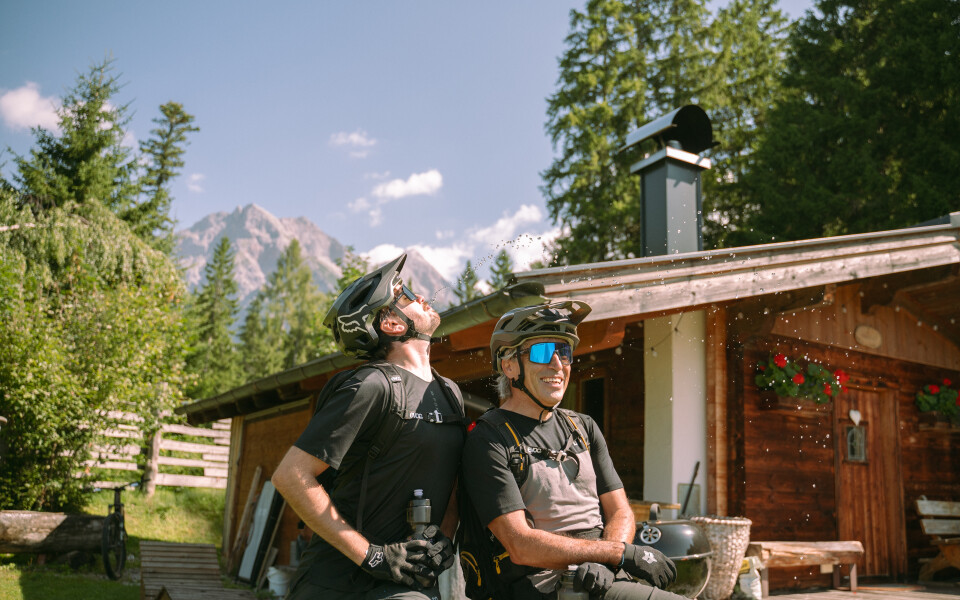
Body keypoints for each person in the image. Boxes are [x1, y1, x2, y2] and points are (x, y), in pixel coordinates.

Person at [460, 301, 687, 600]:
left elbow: (619, 511)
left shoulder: (583, 427)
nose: (558, 365)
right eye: (542, 352)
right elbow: (519, 543)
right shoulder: (489, 439)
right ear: (510, 365)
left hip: (600, 578)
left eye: (564, 352)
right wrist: (617, 554)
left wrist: (606, 560)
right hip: (544, 589)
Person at [272, 254, 464, 600]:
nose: (421, 297)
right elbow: (291, 476)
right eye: (406, 295)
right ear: (391, 322)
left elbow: (451, 479)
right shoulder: (369, 386)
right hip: (337, 585)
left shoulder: (449, 393)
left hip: (408, 585)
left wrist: (444, 538)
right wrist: (372, 555)